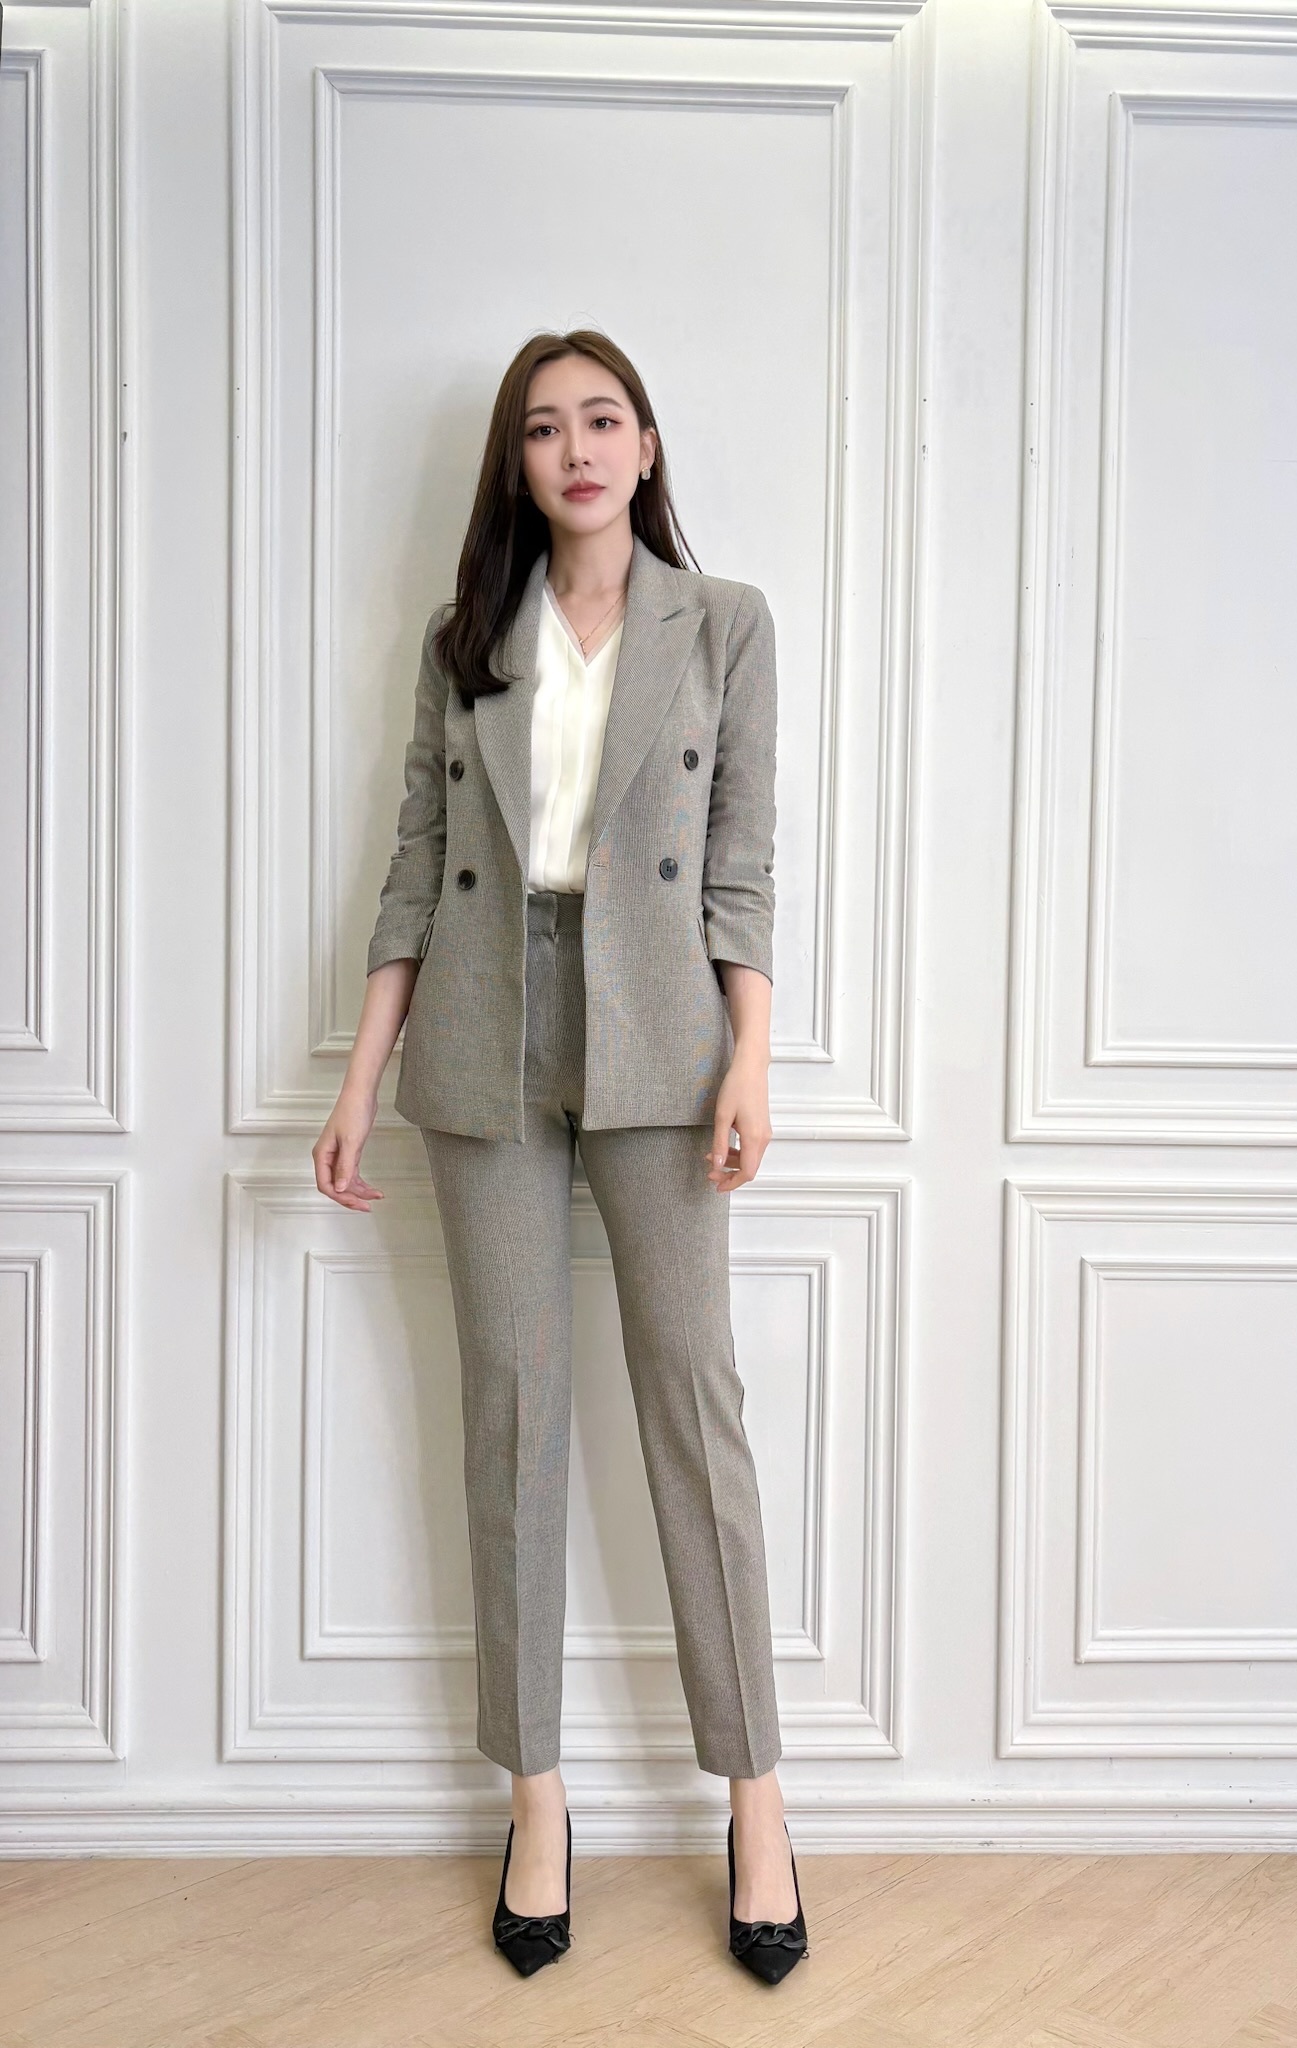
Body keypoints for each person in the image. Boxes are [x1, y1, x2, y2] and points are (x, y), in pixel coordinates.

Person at [313, 329, 809, 1985]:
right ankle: (537, 1795)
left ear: (647, 447)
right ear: (517, 466)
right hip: (483, 1028)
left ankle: (757, 1799)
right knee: (511, 1414)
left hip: (664, 1030)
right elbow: (414, 862)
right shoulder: (467, 638)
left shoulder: (723, 624)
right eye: (544, 428)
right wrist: (361, 1076)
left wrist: (750, 1057)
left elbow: (741, 865)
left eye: (603, 420)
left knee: (693, 1402)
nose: (576, 448)